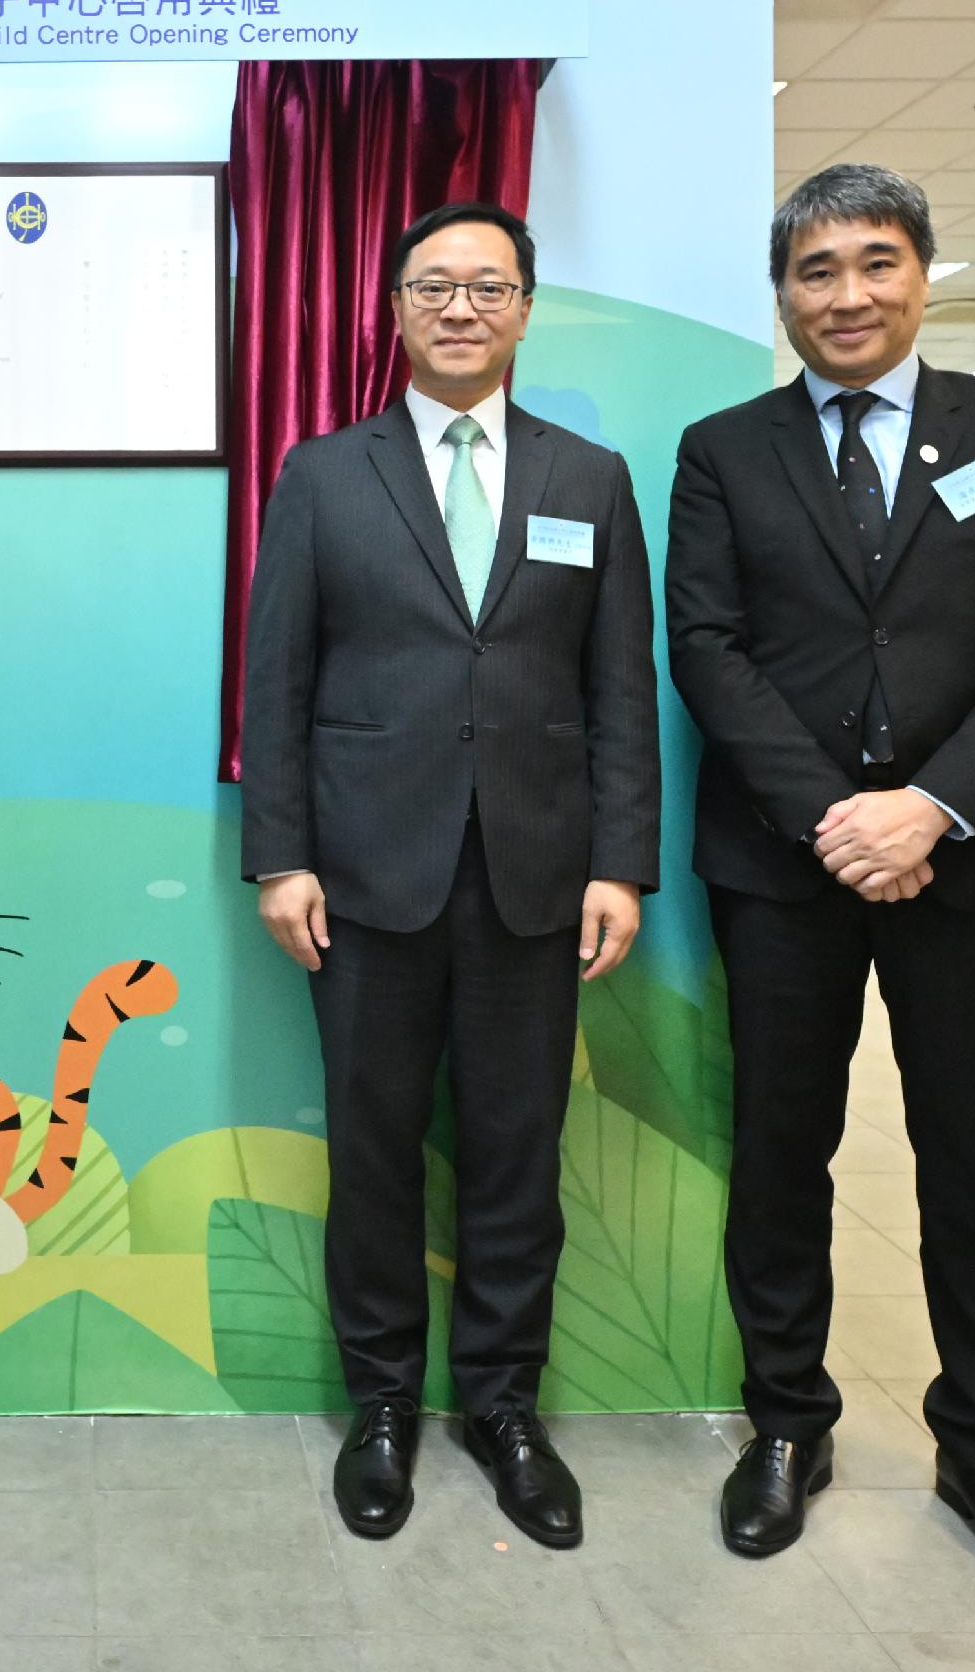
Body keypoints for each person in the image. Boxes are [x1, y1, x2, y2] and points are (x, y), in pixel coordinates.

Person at [666, 163, 975, 1615]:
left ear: (924, 273)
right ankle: (789, 1423)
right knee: (783, 1150)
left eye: (875, 264)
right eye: (815, 271)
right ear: (782, 292)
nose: (846, 296)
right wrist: (834, 819)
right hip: (786, 866)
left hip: (971, 862)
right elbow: (710, 649)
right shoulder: (726, 451)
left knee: (973, 1159)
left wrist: (928, 808)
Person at [237, 201, 660, 1549]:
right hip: (362, 878)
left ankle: (501, 1404)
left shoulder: (589, 479)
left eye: (489, 285)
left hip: (536, 879)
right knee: (371, 1155)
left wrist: (622, 865)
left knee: (514, 1156)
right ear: (397, 309)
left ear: (527, 308)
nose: (462, 307)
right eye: (436, 285)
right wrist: (282, 856)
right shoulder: (321, 475)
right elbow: (278, 682)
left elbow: (619, 692)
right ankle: (380, 1407)